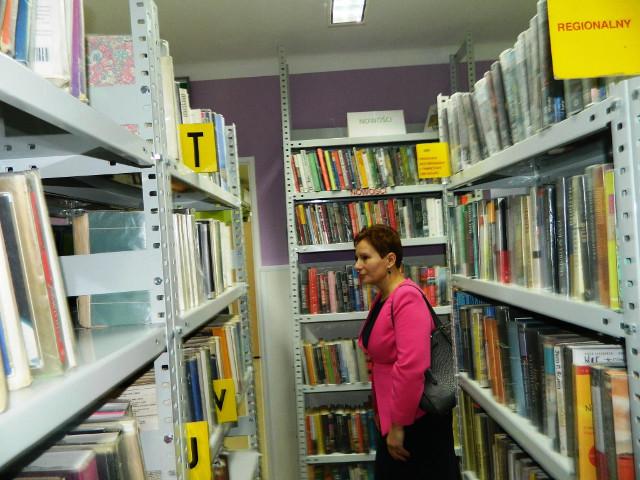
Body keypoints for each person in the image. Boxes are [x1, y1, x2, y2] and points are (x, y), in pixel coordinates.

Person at [354, 224, 460, 479]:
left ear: (390, 260)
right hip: (397, 417)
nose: (358, 265)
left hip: (415, 422)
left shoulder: (406, 298)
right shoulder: (384, 298)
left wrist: (398, 425)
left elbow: (411, 367)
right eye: (357, 258)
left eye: (365, 257)